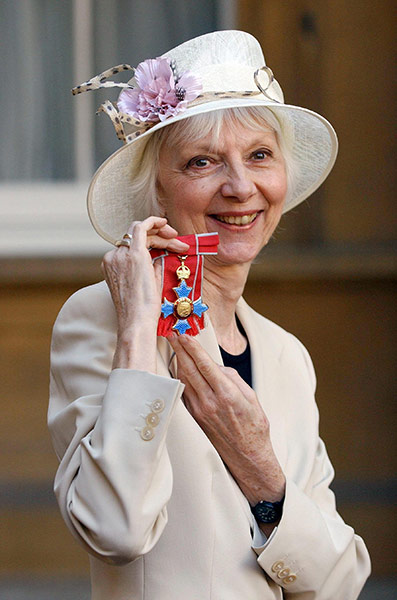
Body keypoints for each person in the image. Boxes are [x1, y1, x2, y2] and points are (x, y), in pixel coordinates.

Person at [48, 31, 370, 599]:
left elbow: (340, 582)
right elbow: (114, 530)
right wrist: (137, 337)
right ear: (157, 193)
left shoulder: (285, 354)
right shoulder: (100, 320)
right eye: (203, 162)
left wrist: (259, 467)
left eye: (260, 156)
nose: (241, 187)